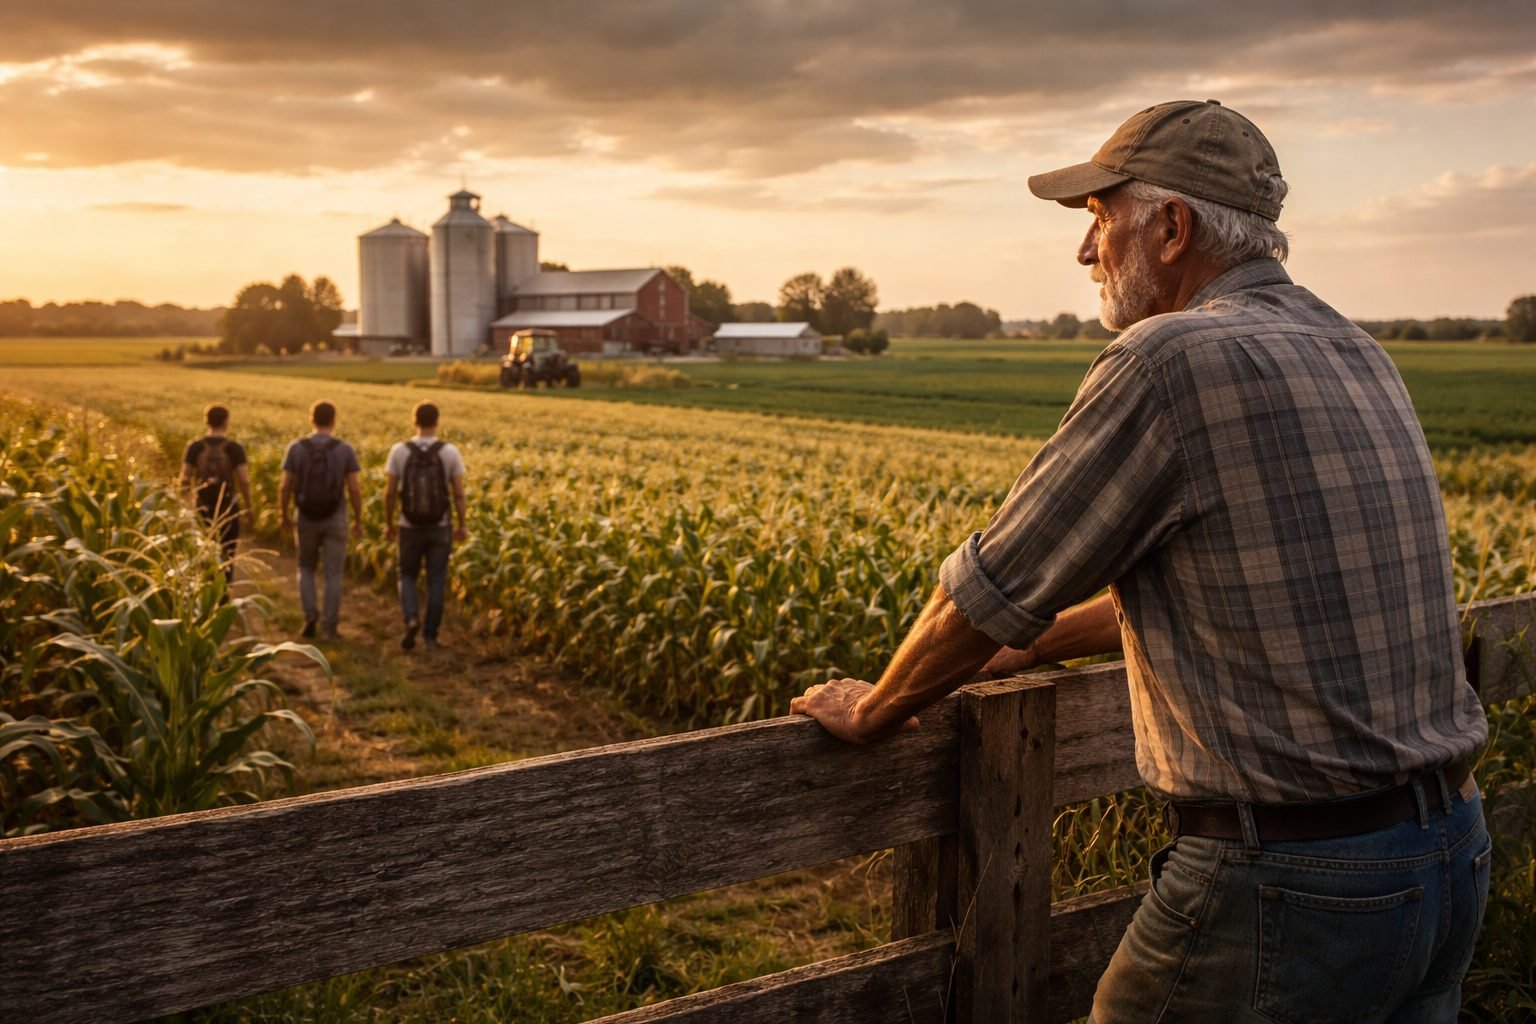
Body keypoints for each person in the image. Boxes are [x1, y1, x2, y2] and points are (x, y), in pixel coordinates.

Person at [791, 100, 1490, 1023]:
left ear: (1170, 227)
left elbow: (994, 586)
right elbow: (1239, 585)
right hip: (1448, 852)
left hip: (1290, 881)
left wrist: (878, 707)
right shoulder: (1355, 349)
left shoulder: (1168, 357)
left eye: (1096, 219)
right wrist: (1037, 649)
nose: (1086, 254)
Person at [383, 401, 467, 651]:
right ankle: (431, 637)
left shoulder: (399, 451)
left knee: (406, 574)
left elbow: (389, 493)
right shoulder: (449, 452)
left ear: (414, 421)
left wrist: (389, 523)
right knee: (436, 579)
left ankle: (410, 618)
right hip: (439, 525)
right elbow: (459, 494)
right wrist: (462, 524)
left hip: (408, 525)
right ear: (437, 421)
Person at [279, 400, 363, 641]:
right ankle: (330, 627)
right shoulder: (344, 449)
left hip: (305, 516)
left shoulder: (296, 448)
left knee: (305, 566)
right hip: (336, 517)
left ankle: (309, 617)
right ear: (333, 420)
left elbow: (285, 486)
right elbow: (354, 489)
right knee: (333, 574)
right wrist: (358, 519)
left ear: (312, 419)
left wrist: (283, 514)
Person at [179, 403, 252, 584]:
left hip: (202, 507)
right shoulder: (235, 448)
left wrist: (184, 504)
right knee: (227, 553)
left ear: (207, 421)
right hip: (228, 509)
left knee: (203, 553)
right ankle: (224, 597)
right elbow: (244, 480)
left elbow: (184, 479)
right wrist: (249, 507)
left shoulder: (194, 447)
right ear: (226, 422)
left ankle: (204, 592)